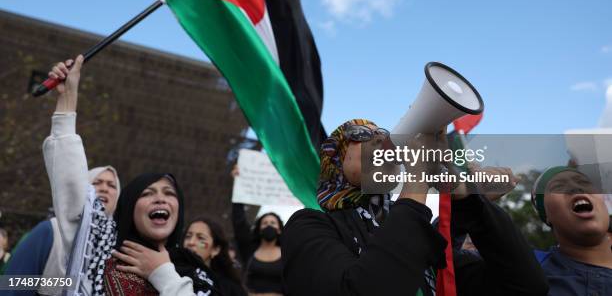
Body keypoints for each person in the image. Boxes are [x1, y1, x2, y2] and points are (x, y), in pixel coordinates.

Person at [282, 119, 549, 296]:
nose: (380, 139)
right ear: (334, 160)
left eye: (382, 134)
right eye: (359, 134)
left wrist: (463, 193)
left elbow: (526, 286)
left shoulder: (423, 245)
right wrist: (418, 179)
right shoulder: (308, 226)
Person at [42, 56, 219, 296]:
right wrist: (67, 98)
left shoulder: (196, 274)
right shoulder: (98, 247)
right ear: (129, 207)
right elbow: (71, 184)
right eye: (147, 193)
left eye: (169, 193)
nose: (160, 199)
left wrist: (162, 273)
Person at [3, 166, 120, 296]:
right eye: (96, 182)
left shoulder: (120, 246)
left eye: (112, 185)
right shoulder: (50, 231)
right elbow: (12, 285)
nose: (104, 188)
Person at [531, 166, 612, 295]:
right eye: (559, 187)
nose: (576, 188)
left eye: (584, 183)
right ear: (546, 214)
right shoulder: (530, 273)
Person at [231, 166, 284, 295]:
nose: (269, 225)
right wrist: (237, 183)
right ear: (259, 229)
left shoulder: (289, 252)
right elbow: (239, 221)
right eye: (265, 223)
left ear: (280, 229)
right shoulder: (250, 249)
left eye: (272, 223)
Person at [184, 216, 247, 295]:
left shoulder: (229, 289)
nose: (191, 242)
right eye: (188, 236)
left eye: (200, 238)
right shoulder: (170, 270)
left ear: (215, 250)